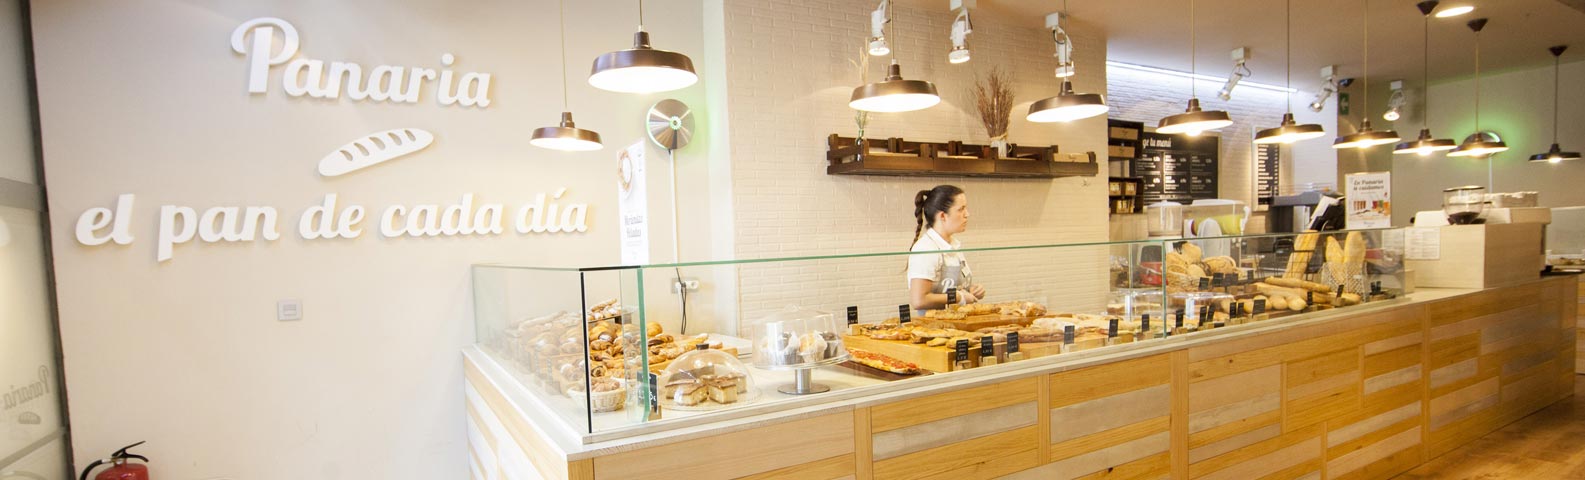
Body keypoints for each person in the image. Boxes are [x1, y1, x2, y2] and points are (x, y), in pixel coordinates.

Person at [907, 185, 986, 315]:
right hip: (934, 325)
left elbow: (954, 288)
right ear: (943, 216)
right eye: (961, 209)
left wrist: (972, 290)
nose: (967, 214)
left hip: (958, 321)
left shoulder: (953, 245)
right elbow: (919, 300)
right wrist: (959, 297)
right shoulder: (926, 249)